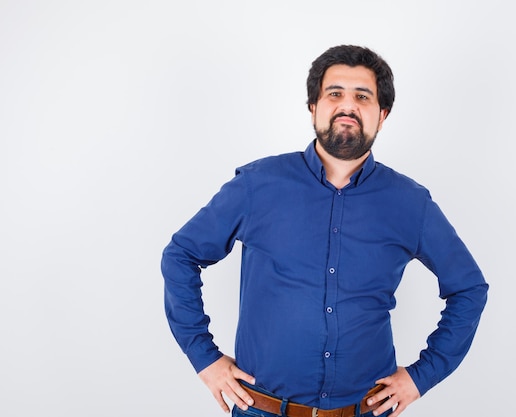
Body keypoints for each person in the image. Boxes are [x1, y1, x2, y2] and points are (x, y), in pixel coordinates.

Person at [161, 45, 488, 417]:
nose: (347, 106)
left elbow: (469, 288)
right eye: (334, 94)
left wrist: (421, 377)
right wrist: (205, 360)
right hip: (262, 409)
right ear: (313, 108)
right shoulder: (257, 185)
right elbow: (180, 256)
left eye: (362, 97)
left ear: (382, 115)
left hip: (364, 410)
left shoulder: (411, 204)